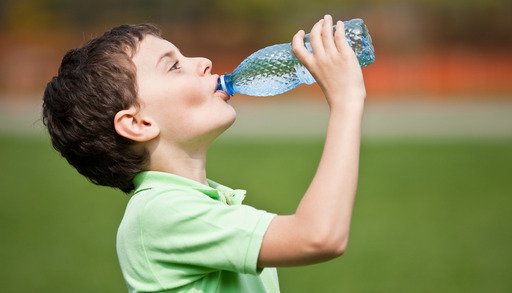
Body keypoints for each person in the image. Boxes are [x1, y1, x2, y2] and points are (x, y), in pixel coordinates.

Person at [42, 14, 366, 293]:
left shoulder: (196, 202)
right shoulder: (160, 213)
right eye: (173, 66)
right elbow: (318, 236)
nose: (203, 62)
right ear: (138, 123)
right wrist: (347, 100)